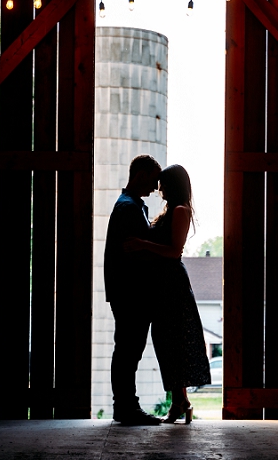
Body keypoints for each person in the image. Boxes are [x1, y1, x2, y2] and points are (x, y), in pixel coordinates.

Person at [125, 164, 211, 424]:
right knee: (166, 342)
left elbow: (174, 251)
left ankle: (179, 403)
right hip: (162, 284)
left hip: (172, 284)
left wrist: (142, 244)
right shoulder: (169, 211)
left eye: (162, 183)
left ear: (172, 185)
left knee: (173, 342)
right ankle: (181, 401)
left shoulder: (181, 211)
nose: (158, 188)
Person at [103, 154, 163, 425]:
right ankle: (126, 407)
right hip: (131, 293)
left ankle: (126, 405)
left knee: (129, 350)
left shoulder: (131, 205)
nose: (155, 187)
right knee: (128, 350)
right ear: (140, 175)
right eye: (152, 180)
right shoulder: (128, 208)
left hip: (128, 292)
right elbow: (133, 255)